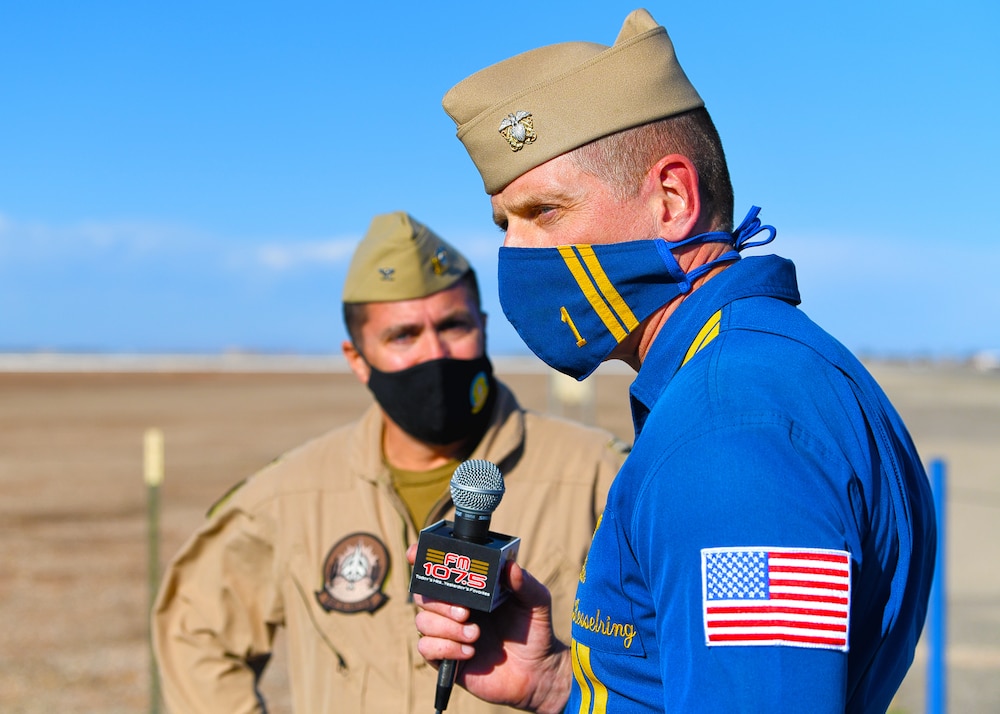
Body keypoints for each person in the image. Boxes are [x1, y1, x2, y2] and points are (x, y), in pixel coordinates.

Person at [411, 9, 937, 713]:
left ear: (673, 200)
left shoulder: (731, 430)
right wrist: (555, 683)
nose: (515, 253)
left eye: (546, 212)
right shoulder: (756, 374)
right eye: (507, 223)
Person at [152, 211, 629, 713]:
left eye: (453, 325)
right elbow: (195, 632)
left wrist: (558, 683)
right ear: (357, 359)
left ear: (484, 327)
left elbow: (666, 665)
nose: (435, 353)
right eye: (403, 335)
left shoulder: (600, 476)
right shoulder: (290, 493)